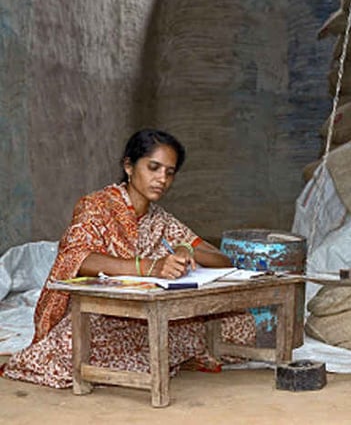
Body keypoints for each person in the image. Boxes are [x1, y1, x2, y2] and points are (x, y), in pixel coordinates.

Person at [2, 129, 254, 388]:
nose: (162, 179)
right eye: (153, 168)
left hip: (150, 311)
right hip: (100, 312)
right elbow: (78, 259)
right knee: (71, 347)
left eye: (169, 172)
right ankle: (158, 355)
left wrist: (187, 249)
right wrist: (149, 268)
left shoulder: (161, 220)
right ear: (129, 166)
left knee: (237, 324)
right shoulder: (96, 206)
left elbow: (222, 259)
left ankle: (154, 354)